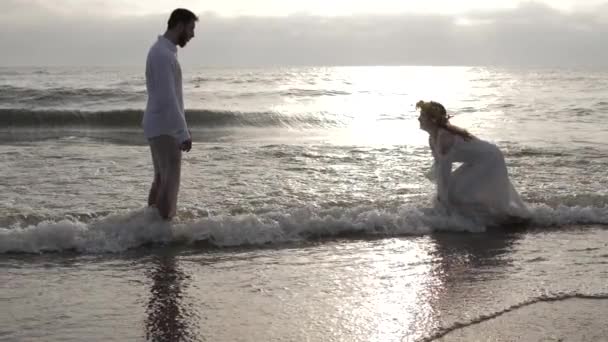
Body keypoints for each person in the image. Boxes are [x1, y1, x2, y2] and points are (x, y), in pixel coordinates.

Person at [416, 100, 530, 227]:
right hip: (479, 161)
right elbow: (439, 168)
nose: (419, 119)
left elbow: (445, 171)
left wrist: (443, 198)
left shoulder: (445, 138)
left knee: (457, 193)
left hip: (490, 159)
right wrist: (441, 196)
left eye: (422, 116)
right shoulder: (432, 139)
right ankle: (478, 220)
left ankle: (496, 221)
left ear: (432, 120)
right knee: (452, 192)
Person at [143, 8, 198, 220]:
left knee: (160, 178)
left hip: (159, 124)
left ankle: (149, 228)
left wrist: (182, 126)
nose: (192, 34)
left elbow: (169, 97)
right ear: (180, 25)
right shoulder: (162, 55)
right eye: (191, 28)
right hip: (164, 126)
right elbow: (168, 98)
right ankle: (163, 232)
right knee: (169, 180)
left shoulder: (161, 52)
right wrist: (182, 132)